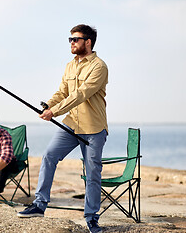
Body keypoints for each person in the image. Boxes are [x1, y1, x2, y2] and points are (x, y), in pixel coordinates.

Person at [17, 24, 108, 233]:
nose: (72, 42)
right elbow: (63, 92)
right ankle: (39, 205)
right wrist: (49, 105)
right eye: (70, 39)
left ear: (88, 42)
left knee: (93, 172)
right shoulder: (70, 65)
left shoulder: (99, 66)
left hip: (93, 128)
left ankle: (92, 217)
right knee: (49, 156)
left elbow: (80, 95)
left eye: (75, 39)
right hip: (71, 125)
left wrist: (54, 112)